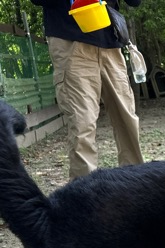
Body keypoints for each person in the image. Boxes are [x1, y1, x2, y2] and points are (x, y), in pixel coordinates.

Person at [30, 0, 144, 179]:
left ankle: (136, 183)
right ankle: (84, 192)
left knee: (127, 119)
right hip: (70, 42)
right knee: (82, 123)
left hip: (111, 44)